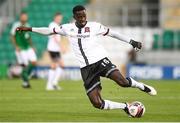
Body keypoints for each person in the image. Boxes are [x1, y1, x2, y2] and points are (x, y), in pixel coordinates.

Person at [16, 5, 157, 115]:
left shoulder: (95, 26)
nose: (83, 18)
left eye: (84, 15)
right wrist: (30, 29)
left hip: (101, 61)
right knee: (97, 103)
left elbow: (113, 34)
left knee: (123, 82)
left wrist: (132, 41)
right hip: (86, 69)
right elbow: (49, 31)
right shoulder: (67, 28)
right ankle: (125, 107)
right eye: (79, 16)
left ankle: (141, 86)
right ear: (74, 17)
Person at [11, 12, 37, 88]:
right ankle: (26, 83)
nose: (24, 18)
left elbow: (28, 37)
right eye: (23, 16)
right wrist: (16, 46)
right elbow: (12, 36)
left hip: (28, 47)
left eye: (26, 16)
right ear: (20, 17)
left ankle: (24, 77)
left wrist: (32, 46)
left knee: (34, 62)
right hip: (21, 48)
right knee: (25, 65)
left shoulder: (27, 25)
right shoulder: (16, 25)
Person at [46, 12, 64, 90]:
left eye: (60, 18)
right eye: (58, 18)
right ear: (55, 17)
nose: (60, 19)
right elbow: (54, 37)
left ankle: (52, 84)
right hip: (52, 48)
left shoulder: (57, 26)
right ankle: (52, 84)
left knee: (56, 65)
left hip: (55, 49)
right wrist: (61, 46)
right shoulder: (52, 25)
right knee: (58, 65)